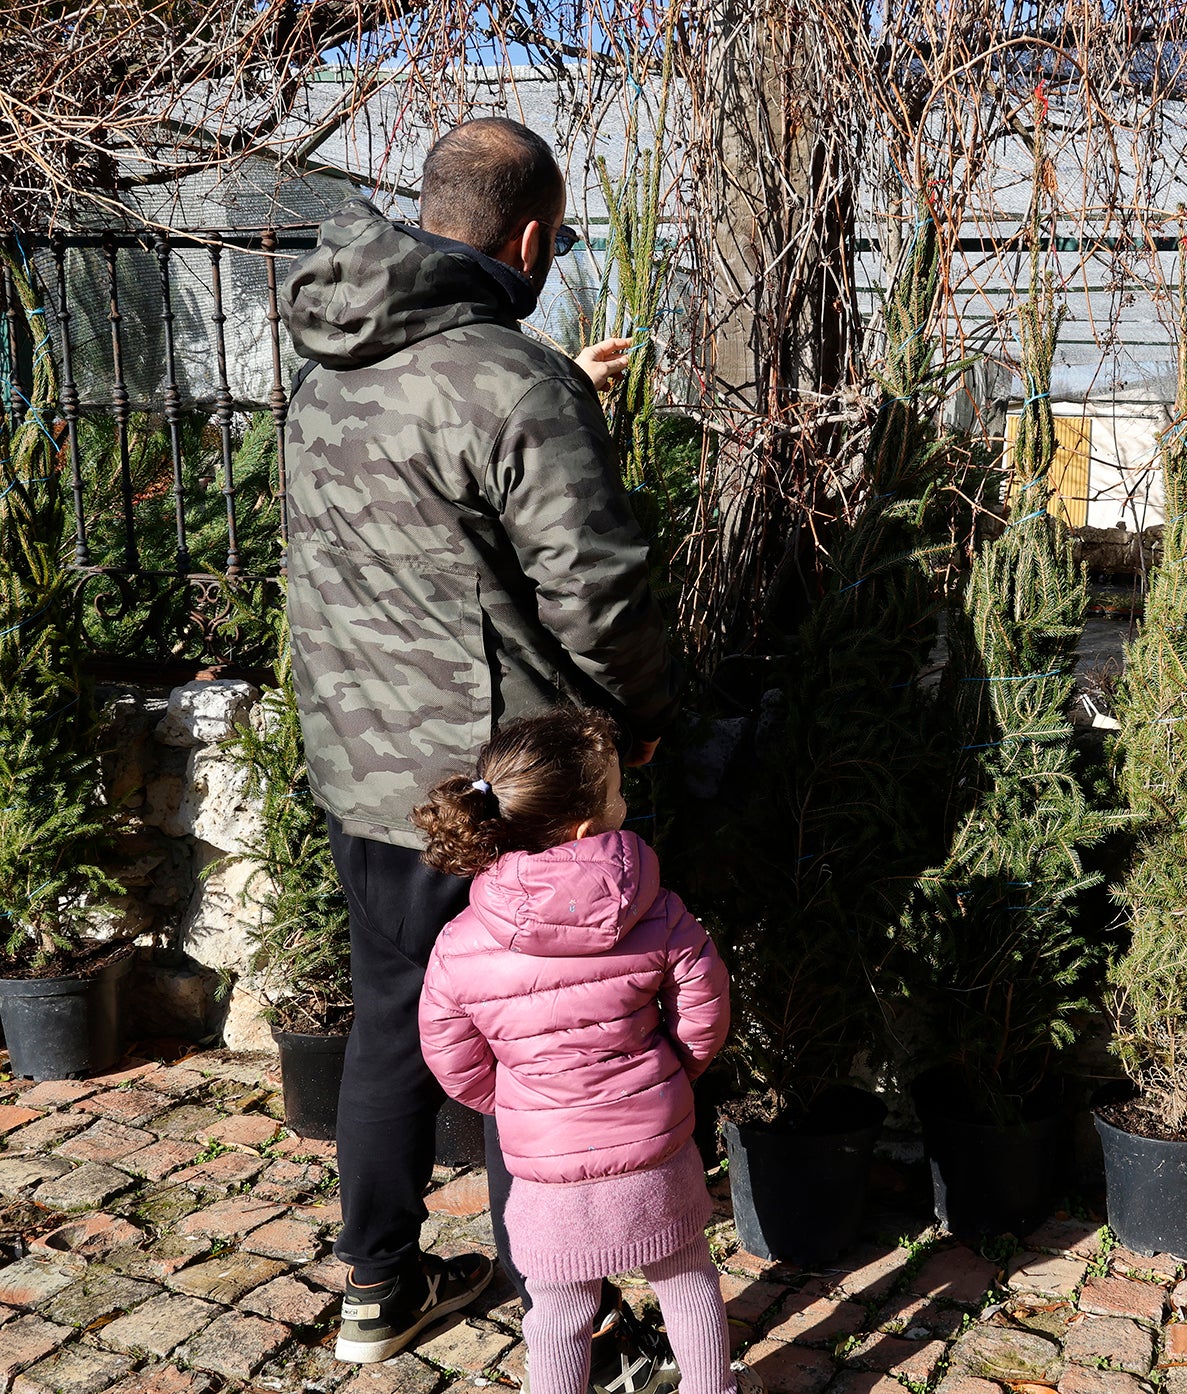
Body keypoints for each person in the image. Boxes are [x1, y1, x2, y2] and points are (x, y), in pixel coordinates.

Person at [281, 116, 678, 1383]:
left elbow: (424, 492)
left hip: (369, 778)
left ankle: (375, 1291)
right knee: (539, 1042)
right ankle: (563, 1305)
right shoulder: (515, 384)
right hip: (506, 785)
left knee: (394, 1023)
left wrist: (560, 387)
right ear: (528, 237)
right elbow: (599, 596)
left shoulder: (329, 358)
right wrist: (647, 719)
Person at [414, 709, 757, 1394]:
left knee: (558, 1311)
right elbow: (704, 1007)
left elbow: (450, 1056)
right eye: (617, 794)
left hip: (545, 1169)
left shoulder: (460, 940)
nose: (626, 804)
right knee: (686, 1274)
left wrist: (516, 1102)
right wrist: (668, 1075)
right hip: (653, 1144)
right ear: (583, 828)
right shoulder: (658, 908)